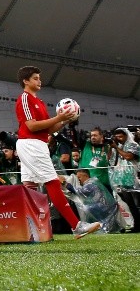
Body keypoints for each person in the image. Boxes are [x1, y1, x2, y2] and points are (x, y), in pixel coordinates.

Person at [15, 66, 100, 239]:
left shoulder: (39, 102)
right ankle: (76, 226)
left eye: (39, 78)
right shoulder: (25, 98)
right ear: (26, 81)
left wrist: (64, 121)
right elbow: (31, 126)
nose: (39, 81)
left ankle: (29, 229)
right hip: (30, 144)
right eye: (35, 78)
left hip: (37, 143)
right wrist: (59, 118)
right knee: (52, 182)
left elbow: (48, 129)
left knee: (30, 186)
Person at [109, 128, 140, 232]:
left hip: (135, 179)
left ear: (126, 135)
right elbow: (110, 160)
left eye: (121, 137)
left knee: (137, 204)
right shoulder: (119, 146)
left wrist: (116, 148)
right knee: (131, 205)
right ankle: (137, 225)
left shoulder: (133, 145)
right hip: (123, 181)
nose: (119, 139)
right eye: (117, 137)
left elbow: (128, 156)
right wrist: (112, 147)